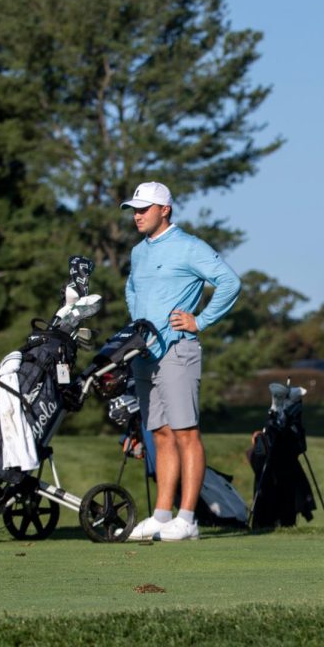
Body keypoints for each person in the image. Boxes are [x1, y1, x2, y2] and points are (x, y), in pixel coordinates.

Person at [122, 182, 242, 542]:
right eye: (134, 209)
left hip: (178, 350)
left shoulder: (189, 247)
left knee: (185, 432)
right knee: (159, 433)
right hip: (143, 354)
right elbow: (132, 289)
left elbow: (229, 282)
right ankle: (162, 515)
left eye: (144, 208)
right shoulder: (138, 252)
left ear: (165, 210)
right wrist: (138, 325)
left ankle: (187, 518)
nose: (137, 215)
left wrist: (200, 321)